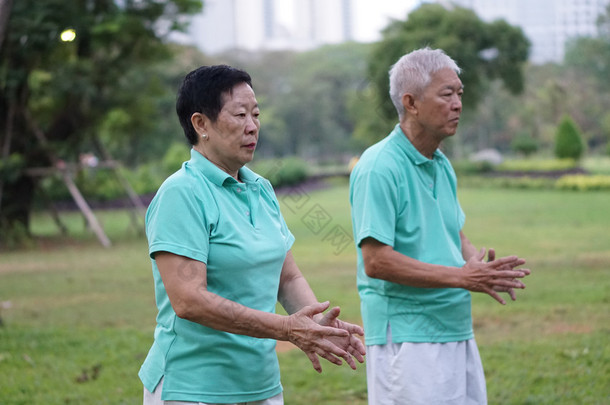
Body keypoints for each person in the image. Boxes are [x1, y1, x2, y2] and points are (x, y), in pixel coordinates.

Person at [139, 65, 365, 405]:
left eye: (256, 114)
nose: (252, 126)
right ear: (201, 124)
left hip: (260, 385)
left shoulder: (260, 189)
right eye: (240, 114)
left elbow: (287, 278)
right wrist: (287, 329)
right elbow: (188, 300)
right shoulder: (181, 194)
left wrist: (319, 327)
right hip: (193, 388)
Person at [349, 48, 530, 405]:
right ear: (411, 103)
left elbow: (454, 233)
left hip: (455, 326)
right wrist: (462, 277)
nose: (458, 103)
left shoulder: (441, 164)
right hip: (408, 338)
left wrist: (475, 264)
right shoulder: (379, 167)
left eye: (460, 93)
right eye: (447, 94)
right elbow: (377, 261)